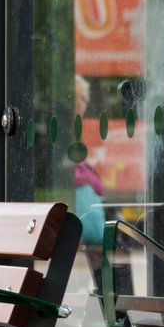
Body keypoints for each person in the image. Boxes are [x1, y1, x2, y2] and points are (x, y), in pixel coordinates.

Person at [74, 75, 106, 245]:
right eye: (76, 98)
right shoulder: (61, 132)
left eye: (84, 99)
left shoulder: (75, 130)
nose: (81, 104)